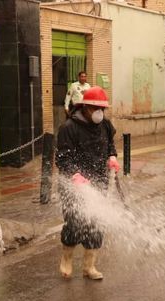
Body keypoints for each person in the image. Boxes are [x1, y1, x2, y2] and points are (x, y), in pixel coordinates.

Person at [56, 86, 120, 280]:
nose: (99, 113)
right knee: (74, 223)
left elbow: (110, 145)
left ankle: (89, 267)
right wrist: (74, 175)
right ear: (85, 107)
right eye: (95, 108)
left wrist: (112, 157)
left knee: (95, 224)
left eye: (102, 109)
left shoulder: (105, 125)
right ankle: (66, 259)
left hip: (98, 182)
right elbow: (62, 158)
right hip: (75, 184)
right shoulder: (69, 128)